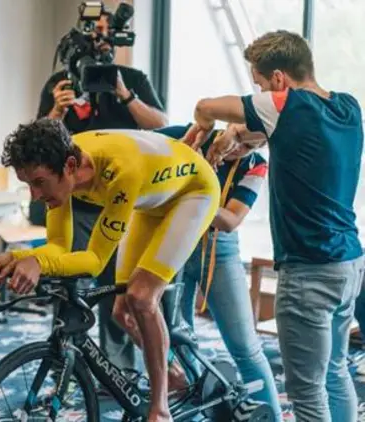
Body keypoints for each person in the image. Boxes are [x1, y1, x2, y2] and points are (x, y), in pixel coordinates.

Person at [0, 118, 221, 422]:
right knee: (121, 311)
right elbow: (58, 247)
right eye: (28, 184)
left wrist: (37, 262)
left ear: (69, 166)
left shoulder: (120, 172)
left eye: (38, 182)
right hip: (150, 199)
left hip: (192, 193)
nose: (34, 196)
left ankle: (160, 409)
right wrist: (17, 257)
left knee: (142, 297)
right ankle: (173, 369)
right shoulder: (63, 166)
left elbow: (94, 261)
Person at [183, 30, 364, 422]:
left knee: (306, 392)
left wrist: (204, 122)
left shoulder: (287, 104)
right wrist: (236, 136)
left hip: (308, 272)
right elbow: (280, 136)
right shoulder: (348, 108)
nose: (259, 91)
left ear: (279, 79)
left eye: (260, 83)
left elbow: (206, 105)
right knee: (335, 373)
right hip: (349, 264)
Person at [34, 8, 167, 372]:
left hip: (121, 198)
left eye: (110, 36)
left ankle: (118, 368)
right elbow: (39, 139)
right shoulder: (61, 82)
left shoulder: (132, 78)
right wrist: (56, 110)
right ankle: (64, 359)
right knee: (68, 281)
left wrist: (125, 94)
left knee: (114, 288)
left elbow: (162, 124)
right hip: (74, 201)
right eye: (96, 33)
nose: (102, 41)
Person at [157, 124, 281, 420]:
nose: (239, 149)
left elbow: (231, 219)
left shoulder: (256, 164)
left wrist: (191, 202)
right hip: (171, 240)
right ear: (231, 126)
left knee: (245, 345)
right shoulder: (188, 135)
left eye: (250, 147)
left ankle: (273, 417)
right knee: (177, 338)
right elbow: (140, 150)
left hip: (218, 248)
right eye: (238, 139)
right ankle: (199, 411)